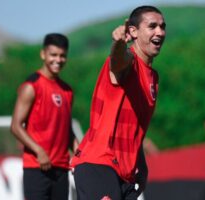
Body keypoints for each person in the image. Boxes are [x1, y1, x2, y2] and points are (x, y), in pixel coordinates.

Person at [71, 5, 166, 200]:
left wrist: (142, 165)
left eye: (163, 26)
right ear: (133, 31)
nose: (160, 32)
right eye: (152, 26)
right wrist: (118, 44)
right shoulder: (128, 61)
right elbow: (118, 61)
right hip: (99, 165)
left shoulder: (153, 78)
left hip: (126, 172)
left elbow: (135, 129)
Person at [10, 33, 79, 200]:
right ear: (43, 54)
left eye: (62, 56)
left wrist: (79, 155)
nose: (58, 59)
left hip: (61, 168)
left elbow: (66, 129)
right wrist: (39, 151)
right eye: (53, 54)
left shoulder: (67, 90)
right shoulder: (32, 86)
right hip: (37, 168)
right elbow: (16, 126)